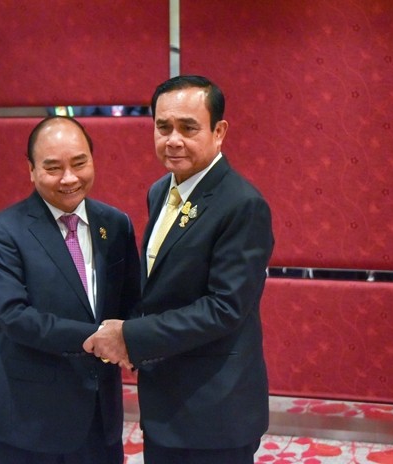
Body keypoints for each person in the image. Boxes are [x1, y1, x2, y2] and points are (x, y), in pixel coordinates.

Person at [84, 75, 275, 463]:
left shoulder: (242, 205)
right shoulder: (160, 191)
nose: (173, 140)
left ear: (219, 132)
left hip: (215, 405)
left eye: (188, 128)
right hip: (165, 398)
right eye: (163, 127)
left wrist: (130, 336)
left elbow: (224, 308)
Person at [0, 116, 140, 464]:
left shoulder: (115, 224)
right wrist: (100, 337)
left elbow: (130, 303)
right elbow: (14, 317)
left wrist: (140, 339)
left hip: (100, 416)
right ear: (31, 170)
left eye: (79, 163)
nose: (69, 178)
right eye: (53, 168)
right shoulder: (2, 232)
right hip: (28, 419)